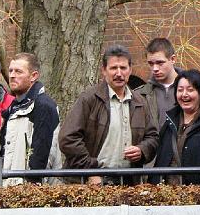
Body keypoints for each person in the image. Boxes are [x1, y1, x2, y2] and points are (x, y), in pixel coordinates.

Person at [59, 44, 159, 185]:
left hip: (128, 183)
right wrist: (90, 171)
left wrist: (142, 150)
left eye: (123, 68)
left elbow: (153, 137)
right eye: (113, 68)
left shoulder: (140, 102)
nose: (119, 73)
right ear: (104, 71)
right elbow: (67, 138)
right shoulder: (90, 99)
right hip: (91, 183)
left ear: (130, 70)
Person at [0, 52, 60, 187]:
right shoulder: (12, 109)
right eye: (11, 71)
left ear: (34, 76)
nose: (12, 75)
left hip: (32, 193)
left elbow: (42, 154)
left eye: (18, 71)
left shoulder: (43, 106)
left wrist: (31, 187)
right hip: (10, 188)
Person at [135, 38, 179, 131]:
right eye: (151, 63)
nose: (155, 68)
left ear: (173, 59)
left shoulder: (193, 90)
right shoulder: (140, 95)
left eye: (160, 63)